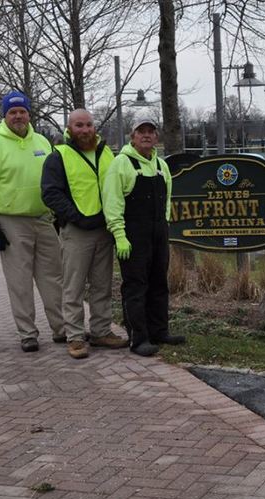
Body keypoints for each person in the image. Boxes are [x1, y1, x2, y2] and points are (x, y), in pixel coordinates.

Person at [0, 91, 65, 353]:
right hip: (12, 222)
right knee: (20, 281)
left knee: (53, 278)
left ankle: (61, 328)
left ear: (29, 114)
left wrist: (57, 215)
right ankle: (28, 333)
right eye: (12, 112)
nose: (18, 116)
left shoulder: (43, 142)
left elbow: (54, 181)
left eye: (22, 111)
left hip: (43, 219)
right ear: (5, 115)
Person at [41, 109, 128, 359]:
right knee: (74, 287)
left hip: (105, 229)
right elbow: (50, 193)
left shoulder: (107, 152)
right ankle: (76, 337)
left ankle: (101, 331)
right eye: (79, 125)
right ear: (69, 129)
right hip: (77, 232)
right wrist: (76, 217)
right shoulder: (59, 156)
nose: (85, 130)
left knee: (102, 285)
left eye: (89, 124)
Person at [101, 117, 185, 357]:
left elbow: (167, 200)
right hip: (132, 236)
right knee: (135, 287)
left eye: (150, 132)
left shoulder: (161, 166)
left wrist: (165, 226)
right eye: (141, 132)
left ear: (156, 138)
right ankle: (138, 338)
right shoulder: (121, 164)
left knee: (159, 284)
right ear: (132, 137)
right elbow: (112, 203)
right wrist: (119, 236)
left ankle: (159, 331)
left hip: (158, 234)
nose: (146, 135)